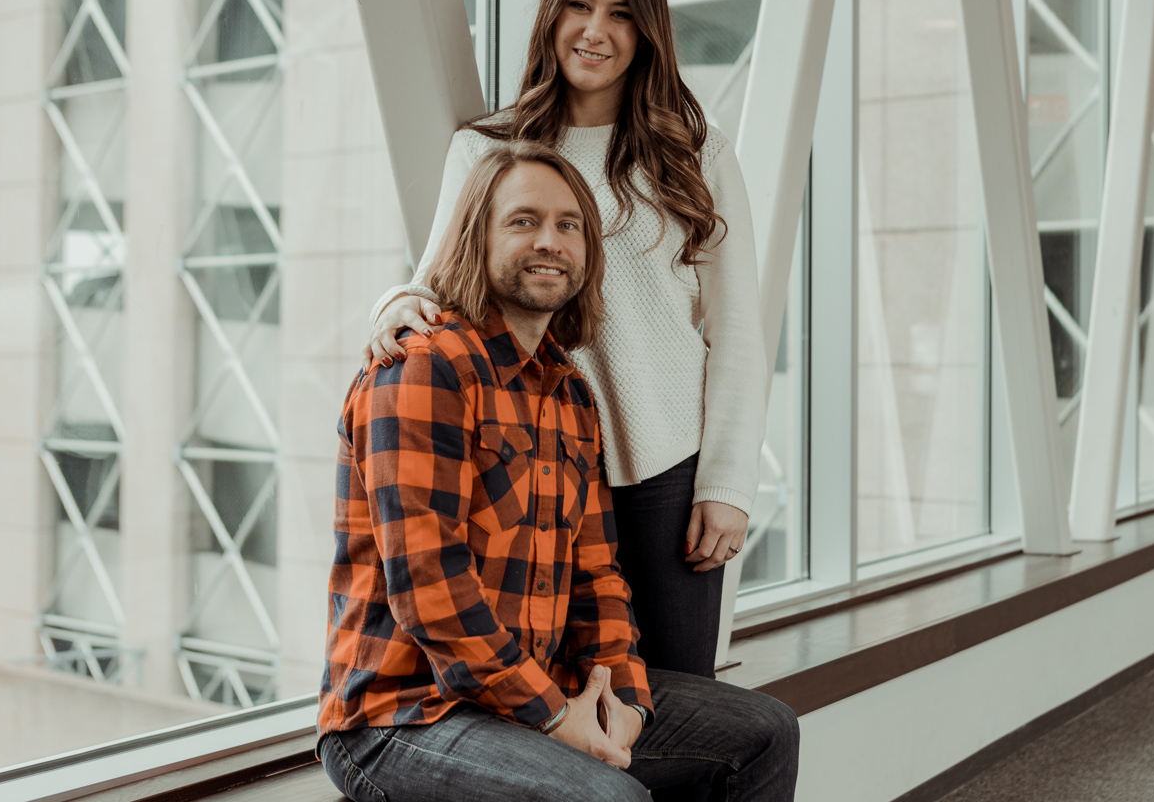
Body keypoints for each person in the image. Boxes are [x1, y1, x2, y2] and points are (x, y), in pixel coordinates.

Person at [320, 142, 799, 802]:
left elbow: (596, 577)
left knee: (764, 732)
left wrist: (623, 697)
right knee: (607, 799)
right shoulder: (425, 368)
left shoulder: (571, 395)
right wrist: (554, 714)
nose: (550, 241)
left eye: (568, 225)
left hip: (532, 689)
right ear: (475, 237)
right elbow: (431, 590)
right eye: (523, 221)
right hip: (403, 716)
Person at [365, 0, 765, 679]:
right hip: (532, 463)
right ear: (552, 16)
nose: (595, 31)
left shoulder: (693, 151)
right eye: (579, 6)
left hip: (667, 474)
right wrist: (391, 301)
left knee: (680, 696)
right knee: (557, 687)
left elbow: (738, 327)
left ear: (648, 31)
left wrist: (727, 484)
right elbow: (436, 283)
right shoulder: (486, 149)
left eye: (621, 13)